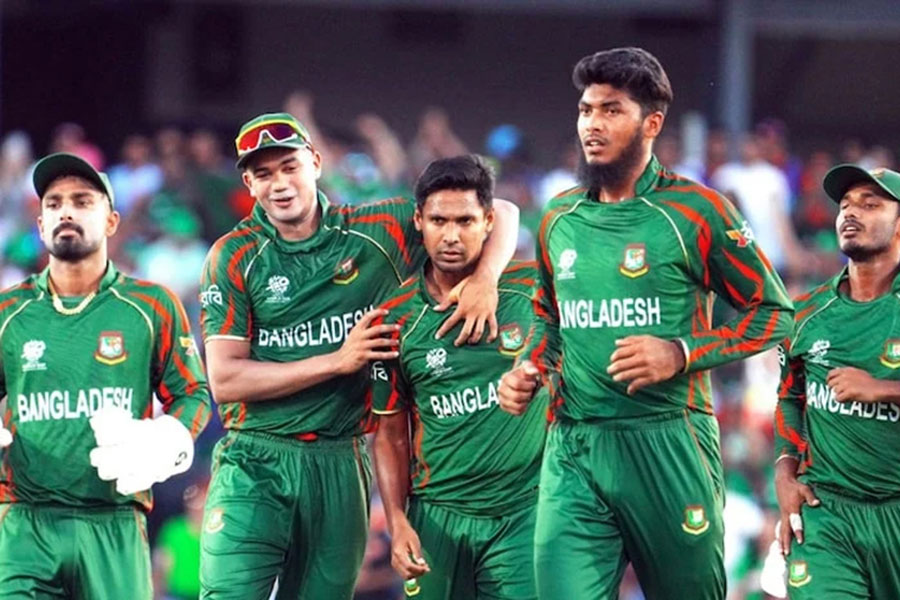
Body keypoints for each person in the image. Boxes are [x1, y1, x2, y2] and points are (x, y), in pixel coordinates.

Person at [498, 47, 793, 600]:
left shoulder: (695, 212)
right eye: (586, 110)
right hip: (575, 446)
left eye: (611, 110)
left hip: (668, 443)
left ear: (651, 123)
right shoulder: (559, 217)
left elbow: (775, 315)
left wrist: (680, 352)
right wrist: (528, 366)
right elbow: (546, 316)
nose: (592, 124)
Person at [198, 113, 518, 599]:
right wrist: (337, 360)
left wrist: (486, 278)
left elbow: (505, 211)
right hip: (256, 457)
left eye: (290, 166)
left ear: (317, 163)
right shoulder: (234, 255)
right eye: (263, 175)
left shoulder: (378, 231)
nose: (280, 184)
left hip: (342, 459)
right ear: (248, 182)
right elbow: (224, 380)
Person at [0, 152, 211, 599]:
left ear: (112, 221)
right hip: (25, 524)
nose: (66, 211)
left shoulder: (151, 305)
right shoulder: (8, 312)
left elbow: (192, 392)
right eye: (53, 204)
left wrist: (170, 435)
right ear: (40, 225)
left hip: (114, 520)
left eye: (82, 201)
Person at [372, 155, 546, 600]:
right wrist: (397, 520)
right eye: (438, 220)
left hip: (524, 512)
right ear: (419, 221)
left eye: (466, 221)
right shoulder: (394, 319)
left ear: (488, 221)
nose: (451, 235)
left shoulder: (532, 291)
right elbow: (391, 432)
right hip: (437, 519)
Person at [771, 165, 900, 599]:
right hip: (827, 514)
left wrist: (883, 389)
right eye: (845, 204)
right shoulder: (806, 314)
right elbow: (789, 397)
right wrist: (784, 472)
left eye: (870, 203)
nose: (850, 212)